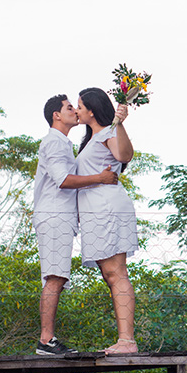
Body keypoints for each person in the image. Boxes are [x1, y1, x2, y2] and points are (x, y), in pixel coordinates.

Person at [34, 94, 118, 355]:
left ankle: (47, 339)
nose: (74, 111)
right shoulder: (55, 143)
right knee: (55, 276)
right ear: (56, 116)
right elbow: (63, 180)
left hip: (59, 216)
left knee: (56, 275)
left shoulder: (61, 143)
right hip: (55, 215)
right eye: (69, 107)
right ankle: (46, 340)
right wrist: (101, 178)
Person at [75, 87, 139, 355]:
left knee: (116, 273)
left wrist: (120, 124)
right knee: (110, 273)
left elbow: (124, 156)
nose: (76, 110)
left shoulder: (109, 132)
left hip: (107, 208)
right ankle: (124, 339)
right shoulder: (93, 138)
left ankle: (127, 341)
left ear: (91, 109)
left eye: (79, 106)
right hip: (96, 211)